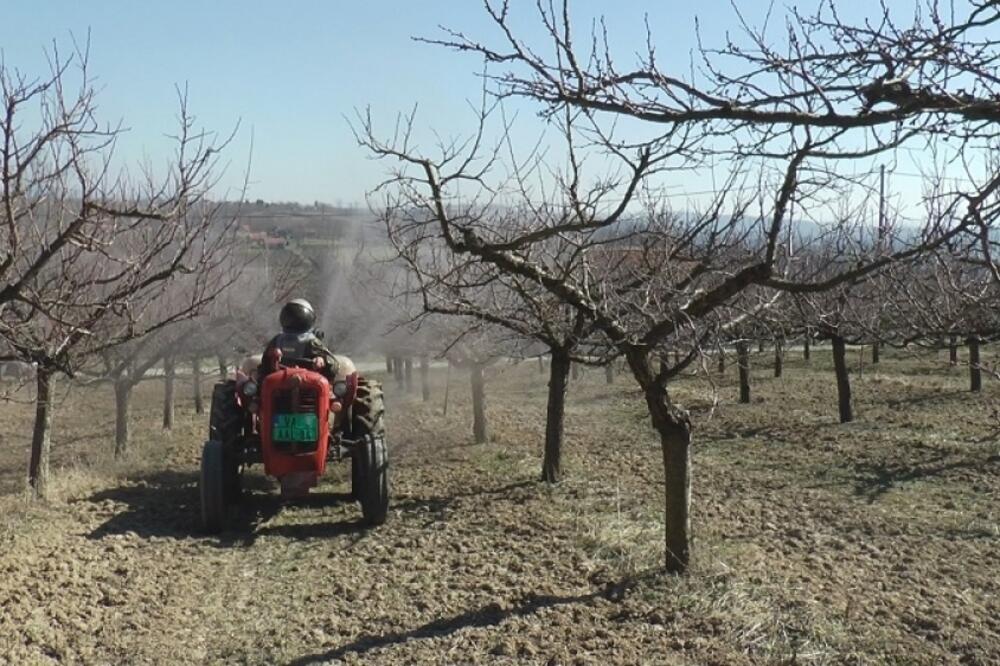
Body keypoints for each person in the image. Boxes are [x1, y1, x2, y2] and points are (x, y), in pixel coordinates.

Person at [261, 298, 338, 378]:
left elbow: (333, 365)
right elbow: (264, 366)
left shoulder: (311, 342)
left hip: (309, 384)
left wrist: (321, 360)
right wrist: (272, 360)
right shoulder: (277, 340)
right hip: (278, 383)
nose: (293, 321)